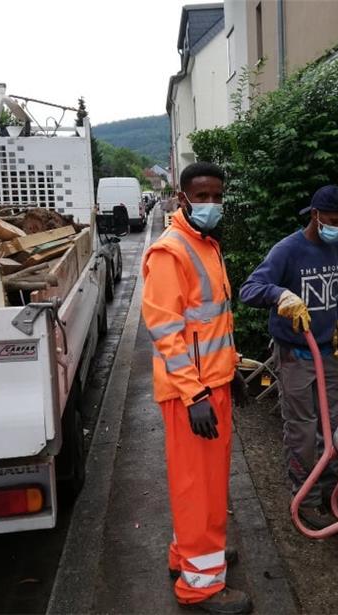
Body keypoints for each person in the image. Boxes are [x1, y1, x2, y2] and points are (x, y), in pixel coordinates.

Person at [142, 162, 252, 614]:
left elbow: (212, 326)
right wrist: (195, 395)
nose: (211, 204)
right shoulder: (172, 252)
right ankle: (200, 587)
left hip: (212, 386)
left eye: (217, 196)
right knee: (197, 487)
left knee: (207, 485)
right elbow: (166, 332)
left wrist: (232, 371)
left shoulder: (205, 244)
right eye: (202, 195)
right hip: (193, 395)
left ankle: (190, 558)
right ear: (182, 197)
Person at [239, 185, 338, 531]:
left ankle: (331, 490)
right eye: (333, 220)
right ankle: (304, 494)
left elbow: (334, 293)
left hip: (327, 354)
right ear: (316, 215)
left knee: (335, 425)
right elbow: (249, 290)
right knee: (303, 431)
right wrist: (280, 294)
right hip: (295, 355)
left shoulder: (336, 247)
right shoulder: (287, 251)